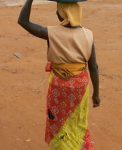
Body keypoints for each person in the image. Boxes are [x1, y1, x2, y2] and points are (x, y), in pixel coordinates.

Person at [18, 0, 100, 149]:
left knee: (57, 122)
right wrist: (96, 94)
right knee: (77, 121)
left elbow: (23, 21)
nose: (56, 12)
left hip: (58, 88)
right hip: (80, 87)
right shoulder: (88, 35)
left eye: (58, 10)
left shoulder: (51, 33)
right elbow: (93, 67)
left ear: (63, 14)